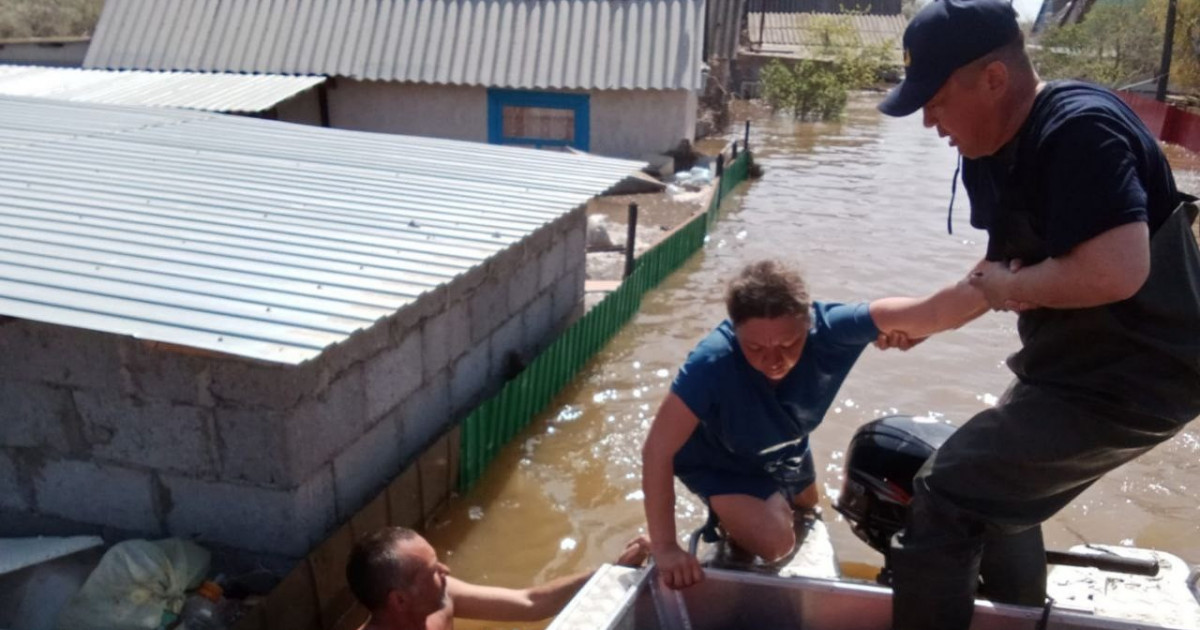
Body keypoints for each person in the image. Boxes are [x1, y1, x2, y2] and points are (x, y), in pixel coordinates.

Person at [875, 1, 1200, 628]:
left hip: (1142, 373)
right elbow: (1002, 274)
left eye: (936, 100)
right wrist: (927, 320)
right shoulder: (989, 146)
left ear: (994, 79)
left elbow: (1115, 271)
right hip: (1071, 363)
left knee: (948, 493)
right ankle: (1021, 615)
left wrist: (1001, 288)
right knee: (994, 490)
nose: (928, 122)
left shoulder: (1080, 129)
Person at [642, 259, 987, 589]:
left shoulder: (834, 328)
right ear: (734, 329)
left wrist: (1011, 278)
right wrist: (666, 546)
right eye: (755, 347)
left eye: (788, 343)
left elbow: (937, 311)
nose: (773, 359)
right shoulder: (711, 362)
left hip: (785, 444)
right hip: (721, 462)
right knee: (776, 543)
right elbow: (657, 449)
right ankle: (664, 542)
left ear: (808, 322)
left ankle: (740, 521)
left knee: (809, 511)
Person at [346, 527, 650, 630]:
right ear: (399, 600)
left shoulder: (441, 597)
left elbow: (529, 603)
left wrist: (611, 570)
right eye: (433, 571)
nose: (447, 572)